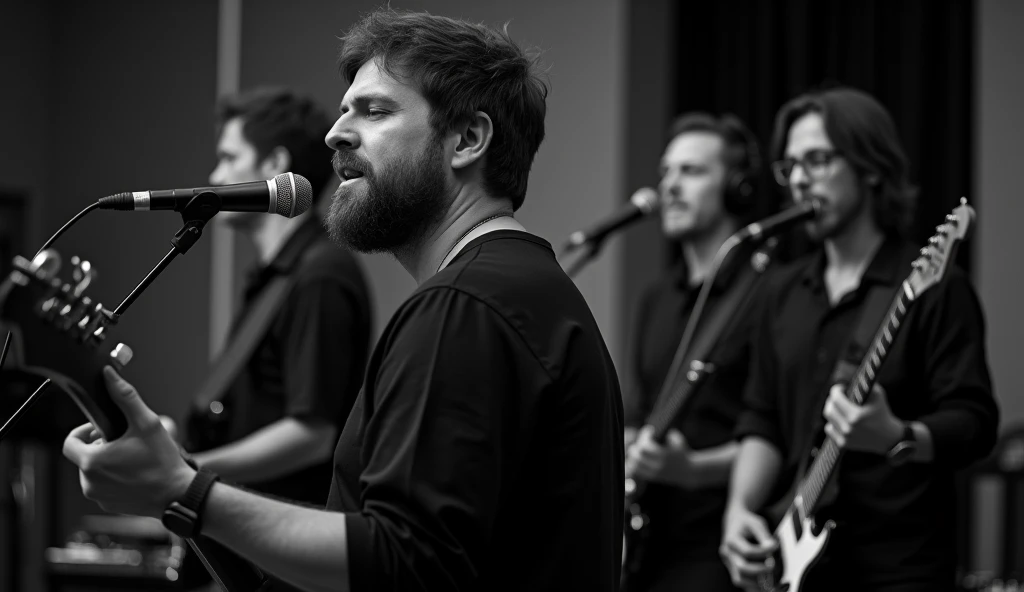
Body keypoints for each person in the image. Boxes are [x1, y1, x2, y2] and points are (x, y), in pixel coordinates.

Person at [63, 9, 624, 592]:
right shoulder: (524, 289)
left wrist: (182, 489)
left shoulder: (463, 305)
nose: (337, 133)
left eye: (376, 110)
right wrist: (180, 491)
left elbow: (404, 561)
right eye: (344, 109)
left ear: (468, 139)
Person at [719, 87, 999, 592]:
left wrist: (897, 435)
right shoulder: (780, 291)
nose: (800, 180)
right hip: (796, 561)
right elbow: (761, 417)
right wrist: (738, 510)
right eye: (790, 167)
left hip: (898, 569)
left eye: (818, 161)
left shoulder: (933, 286)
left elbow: (975, 423)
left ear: (871, 167)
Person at [178, 87, 372, 509]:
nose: (214, 178)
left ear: (274, 165)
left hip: (288, 546)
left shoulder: (321, 274)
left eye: (229, 158)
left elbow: (312, 436)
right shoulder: (277, 277)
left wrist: (188, 471)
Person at [622, 113, 764, 592]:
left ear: (737, 187)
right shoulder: (656, 299)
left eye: (692, 171)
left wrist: (694, 470)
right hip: (648, 544)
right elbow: (642, 409)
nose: (670, 187)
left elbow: (784, 432)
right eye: (666, 172)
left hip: (723, 546)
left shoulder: (770, 290)